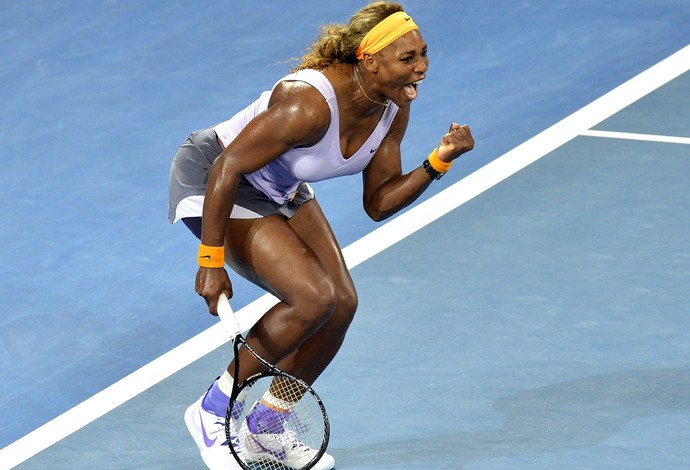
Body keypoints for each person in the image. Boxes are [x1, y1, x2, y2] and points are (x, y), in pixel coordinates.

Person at [168, 2, 474, 469]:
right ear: (370, 61)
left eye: (424, 54)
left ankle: (267, 427)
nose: (422, 68)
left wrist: (439, 161)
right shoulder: (308, 103)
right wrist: (209, 262)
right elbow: (228, 167)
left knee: (341, 304)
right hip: (215, 175)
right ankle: (212, 410)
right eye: (408, 58)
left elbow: (379, 203)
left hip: (279, 184)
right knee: (311, 298)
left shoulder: (393, 108)